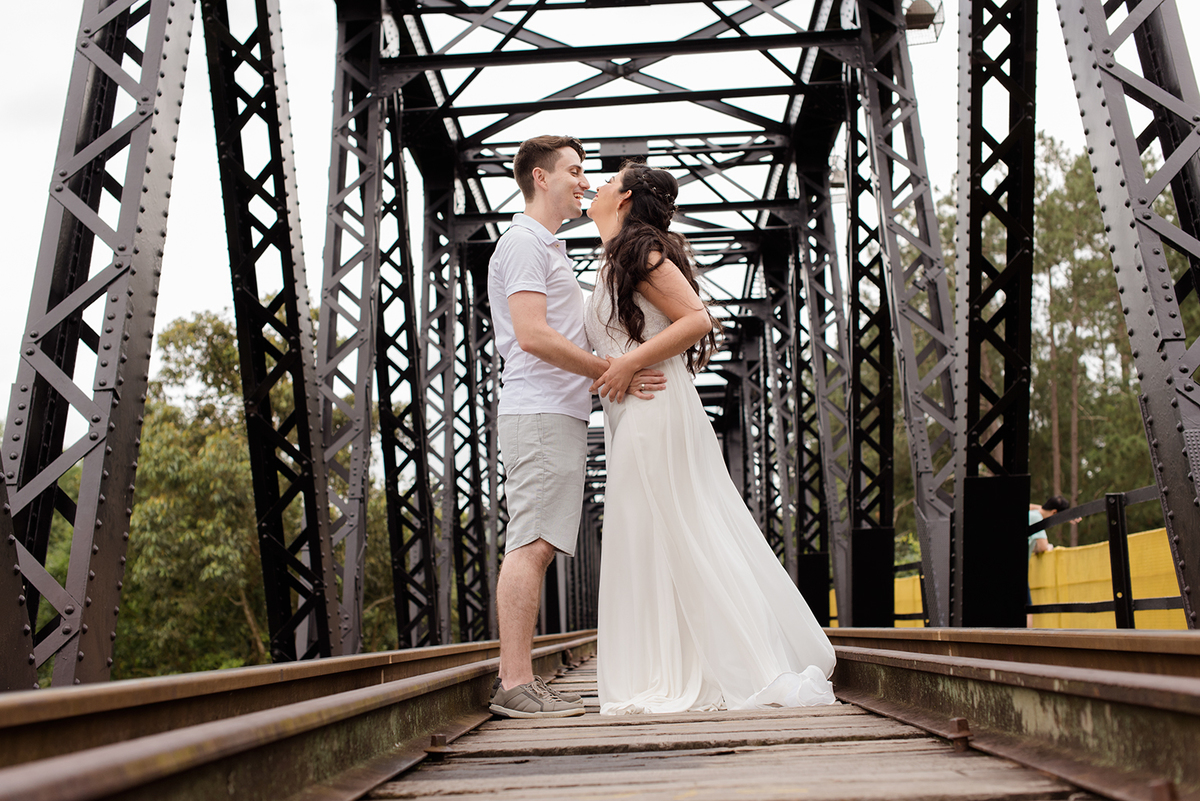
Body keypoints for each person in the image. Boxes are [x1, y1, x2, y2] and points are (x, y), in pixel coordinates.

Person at [583, 162, 837, 714]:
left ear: (623, 197)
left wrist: (628, 364)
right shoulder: (615, 256)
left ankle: (722, 665)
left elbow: (696, 320)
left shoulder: (638, 252)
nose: (594, 187)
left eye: (605, 181)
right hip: (635, 411)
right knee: (648, 534)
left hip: (656, 410)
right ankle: (671, 662)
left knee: (676, 527)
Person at [486, 136, 666, 719]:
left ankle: (522, 678)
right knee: (531, 542)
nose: (584, 181)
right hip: (538, 411)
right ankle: (514, 682)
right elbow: (533, 335)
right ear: (541, 177)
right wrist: (611, 371)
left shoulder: (550, 248)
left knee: (538, 541)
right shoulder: (522, 244)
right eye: (574, 171)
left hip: (556, 412)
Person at [1026, 495, 1071, 626]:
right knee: (1027, 609)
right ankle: (1025, 642)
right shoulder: (1036, 518)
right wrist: (1049, 547)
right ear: (1054, 513)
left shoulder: (1031, 513)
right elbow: (1042, 546)